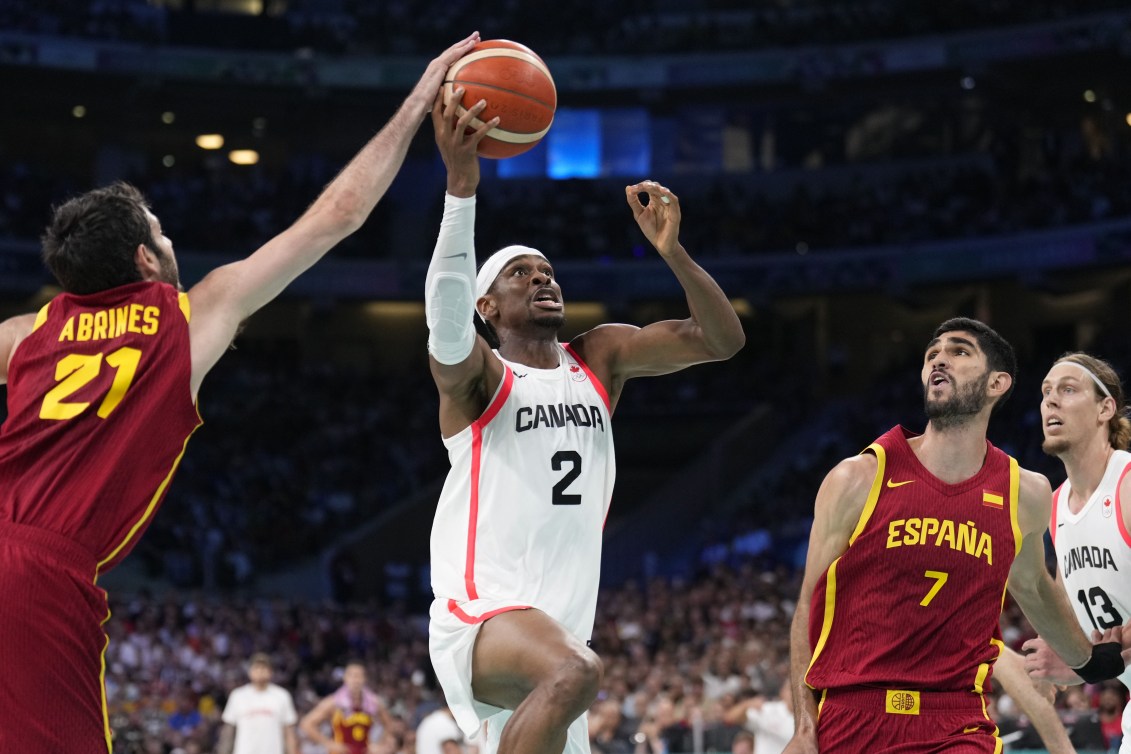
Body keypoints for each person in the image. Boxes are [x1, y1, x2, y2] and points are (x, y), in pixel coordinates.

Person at [0, 31, 482, 754]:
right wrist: (419, 99)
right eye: (161, 235)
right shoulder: (189, 318)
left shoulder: (24, 333)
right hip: (38, 576)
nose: (171, 246)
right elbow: (337, 216)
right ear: (143, 258)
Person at [423, 91, 746, 754]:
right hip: (482, 615)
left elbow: (721, 341)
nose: (543, 280)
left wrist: (674, 253)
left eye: (547, 272)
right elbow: (444, 316)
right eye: (521, 274)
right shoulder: (478, 377)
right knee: (575, 670)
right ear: (488, 303)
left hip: (560, 631)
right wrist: (461, 187)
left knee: (571, 670)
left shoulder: (598, 357)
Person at [785, 318, 1128, 754]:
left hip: (956, 723)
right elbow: (806, 609)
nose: (939, 360)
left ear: (997, 383)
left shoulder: (1025, 493)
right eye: (932, 354)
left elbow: (1035, 588)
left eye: (960, 351)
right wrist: (804, 725)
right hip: (853, 716)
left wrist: (1088, 662)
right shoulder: (858, 477)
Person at [1019, 352, 1131, 752]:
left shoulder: (1127, 485)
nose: (1051, 400)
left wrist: (1081, 665)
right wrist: (1052, 660)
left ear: (1105, 408)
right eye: (1046, 392)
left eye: (1068, 389)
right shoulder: (1056, 504)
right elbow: (1076, 618)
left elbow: (1103, 652)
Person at [299, 660, 391, 754]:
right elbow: (306, 723)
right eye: (352, 676)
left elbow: (389, 725)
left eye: (359, 676)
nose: (355, 680)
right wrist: (328, 743)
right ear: (345, 678)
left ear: (365, 679)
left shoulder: (373, 702)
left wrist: (380, 744)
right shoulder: (333, 702)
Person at [218, 653, 299, 754]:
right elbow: (228, 731)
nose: (260, 671)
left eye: (264, 668)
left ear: (271, 672)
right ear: (250, 672)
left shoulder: (282, 696)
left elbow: (289, 731)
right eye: (257, 668)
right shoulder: (238, 696)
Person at [723, 684, 793, 754]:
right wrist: (747, 704)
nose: (793, 693)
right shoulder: (767, 710)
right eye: (790, 689)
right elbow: (730, 718)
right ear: (782, 692)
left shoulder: (803, 717)